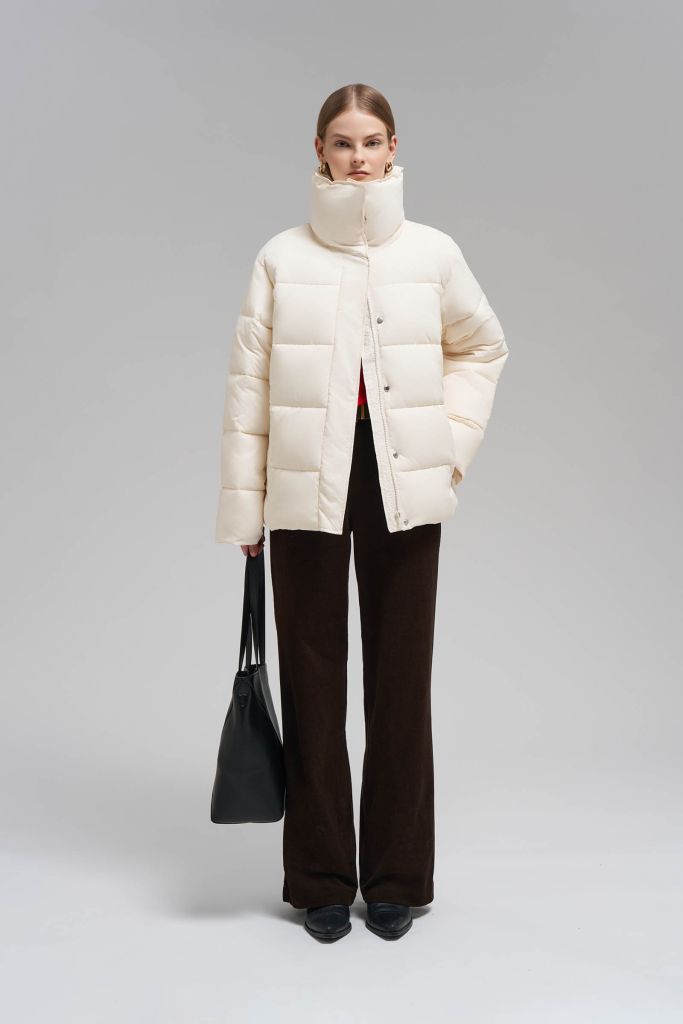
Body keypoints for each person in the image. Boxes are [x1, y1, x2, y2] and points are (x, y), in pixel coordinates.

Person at [215, 83, 509, 942]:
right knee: (312, 684)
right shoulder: (280, 257)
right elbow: (247, 393)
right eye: (341, 142)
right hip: (304, 481)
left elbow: (482, 346)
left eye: (371, 141)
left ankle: (395, 879)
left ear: (392, 149)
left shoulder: (432, 252)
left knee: (399, 682)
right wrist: (244, 510)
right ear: (318, 151)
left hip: (402, 480)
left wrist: (447, 447)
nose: (357, 157)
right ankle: (317, 880)